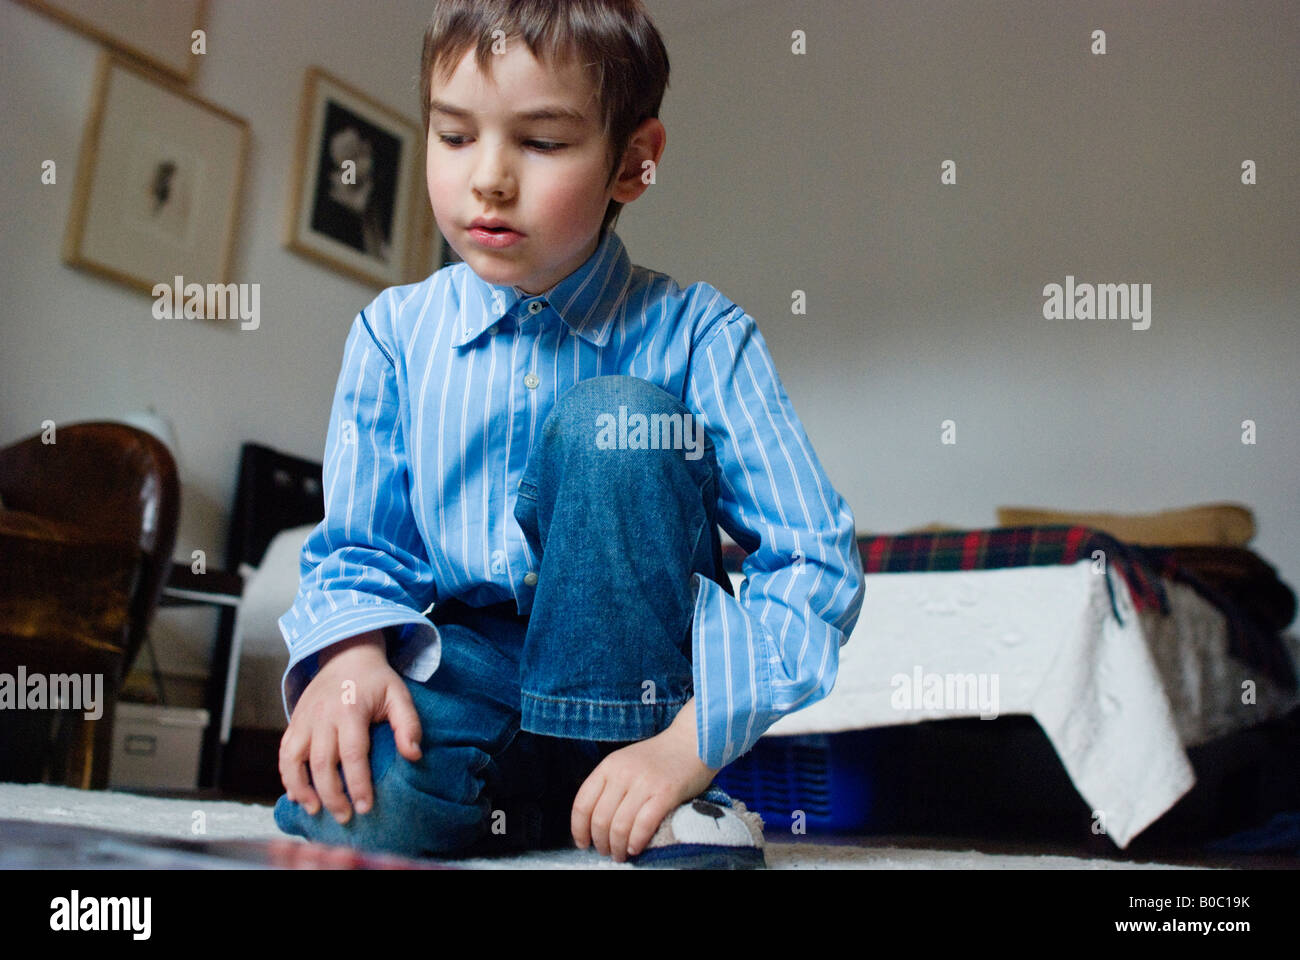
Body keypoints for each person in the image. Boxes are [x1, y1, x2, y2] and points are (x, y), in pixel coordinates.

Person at [273, 0, 865, 869]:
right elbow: (361, 548)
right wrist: (350, 657)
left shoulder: (701, 335)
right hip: (464, 665)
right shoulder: (393, 336)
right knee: (351, 808)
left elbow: (813, 560)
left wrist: (686, 747)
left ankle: (644, 791)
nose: (489, 180)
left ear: (635, 163)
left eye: (541, 142)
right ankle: (537, 804)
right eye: (454, 136)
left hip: (649, 694)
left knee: (610, 420)